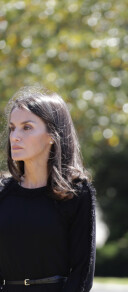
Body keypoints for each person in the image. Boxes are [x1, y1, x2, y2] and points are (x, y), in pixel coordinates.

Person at [0, 86, 96, 292]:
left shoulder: (77, 193)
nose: (15, 136)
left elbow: (82, 273)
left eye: (26, 127)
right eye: (12, 128)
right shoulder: (3, 193)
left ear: (52, 135)